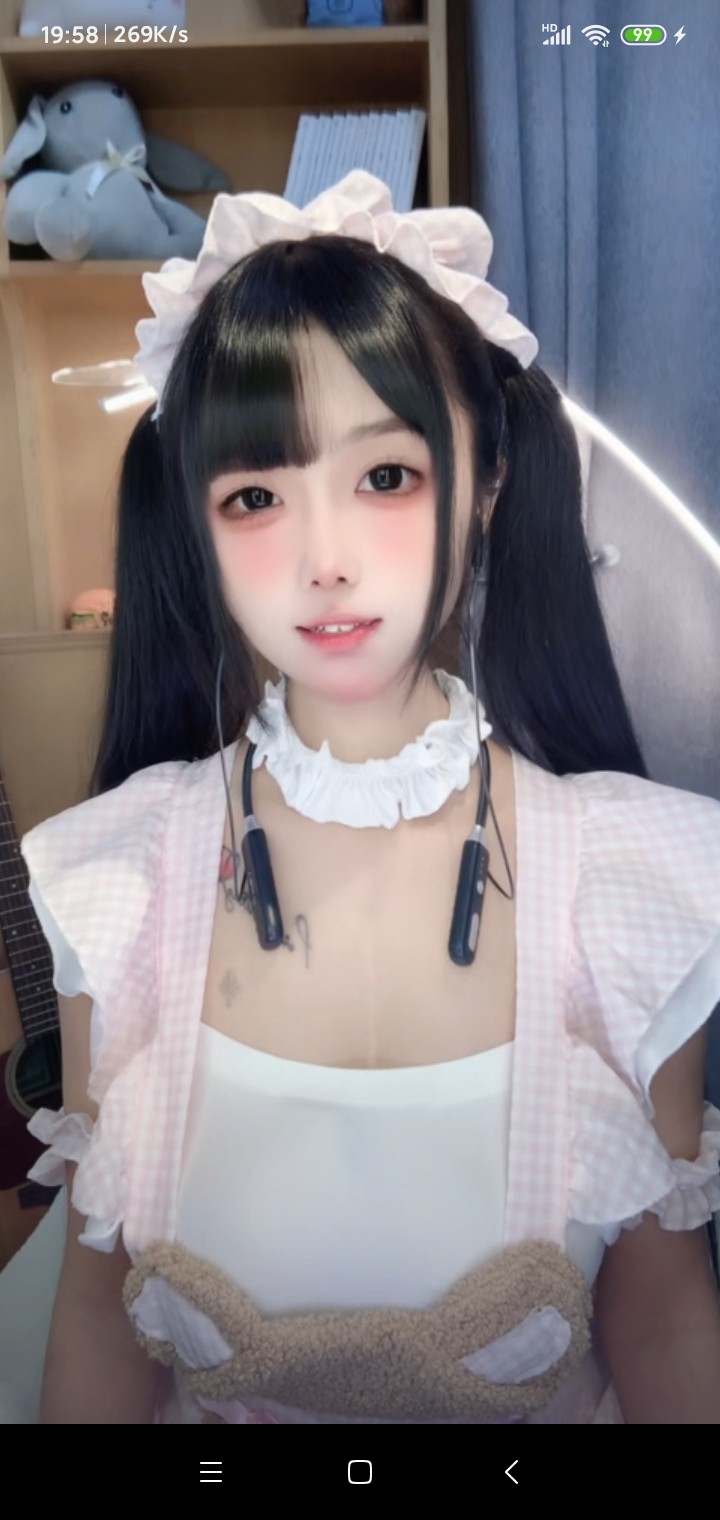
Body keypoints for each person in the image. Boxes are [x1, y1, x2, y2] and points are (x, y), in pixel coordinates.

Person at [9, 172, 720, 1424]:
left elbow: (662, 1314)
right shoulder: (117, 879)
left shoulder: (636, 882)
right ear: (196, 525)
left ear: (487, 484)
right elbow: (98, 1309)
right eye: (254, 496)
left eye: (386, 476)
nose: (322, 557)